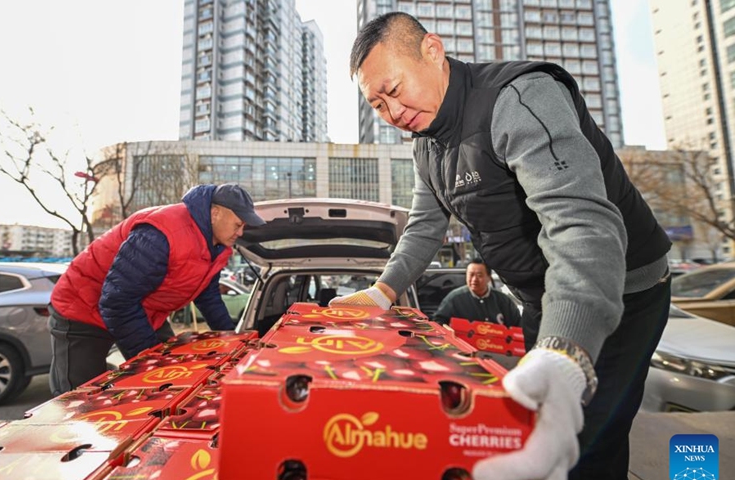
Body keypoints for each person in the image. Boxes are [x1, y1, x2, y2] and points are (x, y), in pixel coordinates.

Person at [331, 12, 671, 480]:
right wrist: (380, 293)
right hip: (540, 296)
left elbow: (580, 223)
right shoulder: (426, 146)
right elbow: (424, 227)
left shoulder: (518, 98)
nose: (392, 113)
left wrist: (566, 352)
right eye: (377, 105)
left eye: (394, 90)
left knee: (584, 439)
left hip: (623, 289)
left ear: (433, 50)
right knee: (532, 424)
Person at [48, 183, 265, 396]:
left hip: (143, 310)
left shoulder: (217, 247)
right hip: (82, 307)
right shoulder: (162, 233)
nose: (241, 232)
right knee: (78, 398)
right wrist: (153, 362)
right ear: (215, 213)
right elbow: (118, 301)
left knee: (171, 383)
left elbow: (207, 295)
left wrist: (234, 340)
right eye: (238, 224)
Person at [432, 259, 521, 327]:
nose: (474, 279)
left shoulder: (503, 300)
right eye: (471, 275)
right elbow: (438, 322)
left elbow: (518, 326)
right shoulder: (454, 299)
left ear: (489, 278)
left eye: (479, 275)